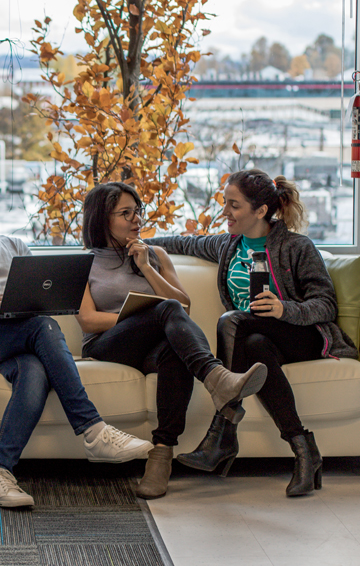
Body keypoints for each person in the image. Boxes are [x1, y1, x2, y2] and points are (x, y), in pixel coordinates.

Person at [0, 167, 154, 509]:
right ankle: (93, 430)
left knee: (34, 371)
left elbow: (38, 296)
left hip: (13, 334)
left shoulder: (14, 245)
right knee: (40, 326)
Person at [145, 169, 358, 497]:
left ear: (260, 211)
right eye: (224, 203)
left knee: (231, 321)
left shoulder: (297, 247)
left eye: (234, 205)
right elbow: (182, 242)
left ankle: (223, 429)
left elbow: (326, 305)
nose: (225, 212)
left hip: (303, 334)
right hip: (262, 338)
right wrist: (135, 244)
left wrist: (283, 309)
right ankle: (304, 451)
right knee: (254, 344)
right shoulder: (227, 246)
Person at [76, 182, 267, 499]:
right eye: (126, 213)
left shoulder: (156, 255)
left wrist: (147, 268)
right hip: (107, 345)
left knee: (174, 351)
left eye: (137, 211)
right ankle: (216, 377)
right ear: (102, 219)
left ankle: (161, 454)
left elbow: (184, 305)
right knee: (164, 310)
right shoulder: (83, 262)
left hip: (153, 348)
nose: (136, 219)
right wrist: (142, 317)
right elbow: (89, 320)